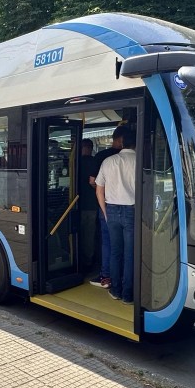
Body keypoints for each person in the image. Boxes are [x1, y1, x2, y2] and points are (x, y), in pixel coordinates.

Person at [95, 126, 136, 304]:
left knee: (115, 252)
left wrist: (105, 212)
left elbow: (99, 190)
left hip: (111, 210)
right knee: (130, 254)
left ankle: (116, 290)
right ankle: (128, 295)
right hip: (132, 211)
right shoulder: (140, 161)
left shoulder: (108, 161)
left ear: (121, 142)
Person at [88, 126, 124, 288]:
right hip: (130, 207)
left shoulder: (103, 157)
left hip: (107, 205)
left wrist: (106, 194)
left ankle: (106, 276)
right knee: (125, 244)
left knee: (108, 242)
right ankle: (123, 277)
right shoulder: (136, 157)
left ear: (115, 139)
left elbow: (92, 181)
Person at [78, 138, 99, 274]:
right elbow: (94, 182)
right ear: (91, 148)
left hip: (75, 205)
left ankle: (76, 259)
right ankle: (88, 261)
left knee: (77, 233)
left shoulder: (74, 162)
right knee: (89, 234)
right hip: (92, 204)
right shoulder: (95, 162)